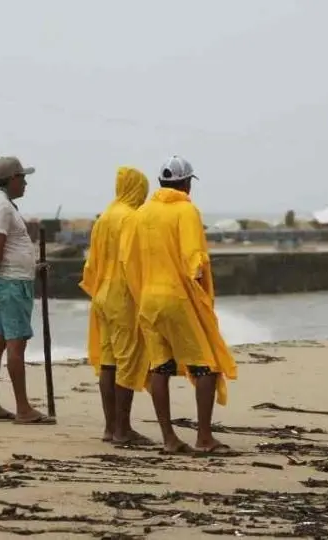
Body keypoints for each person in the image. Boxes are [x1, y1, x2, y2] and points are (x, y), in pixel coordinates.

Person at [121, 155, 237, 455]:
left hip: (149, 298)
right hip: (178, 297)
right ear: (186, 183)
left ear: (161, 183)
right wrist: (201, 299)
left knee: (160, 366)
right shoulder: (186, 210)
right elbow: (195, 260)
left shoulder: (141, 213)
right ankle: (204, 438)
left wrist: (140, 292)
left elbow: (128, 260)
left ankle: (169, 438)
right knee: (207, 366)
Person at [0, 155, 54, 425]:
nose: (26, 184)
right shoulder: (3, 208)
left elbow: (7, 249)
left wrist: (34, 264)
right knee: (15, 345)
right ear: (11, 180)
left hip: (7, 281)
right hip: (11, 284)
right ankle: (23, 409)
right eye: (23, 178)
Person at [79, 166, 152, 445]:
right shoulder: (131, 218)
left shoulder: (105, 217)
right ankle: (124, 429)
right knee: (128, 361)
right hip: (123, 297)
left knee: (108, 362)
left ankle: (110, 428)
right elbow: (134, 261)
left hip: (102, 295)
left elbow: (92, 263)